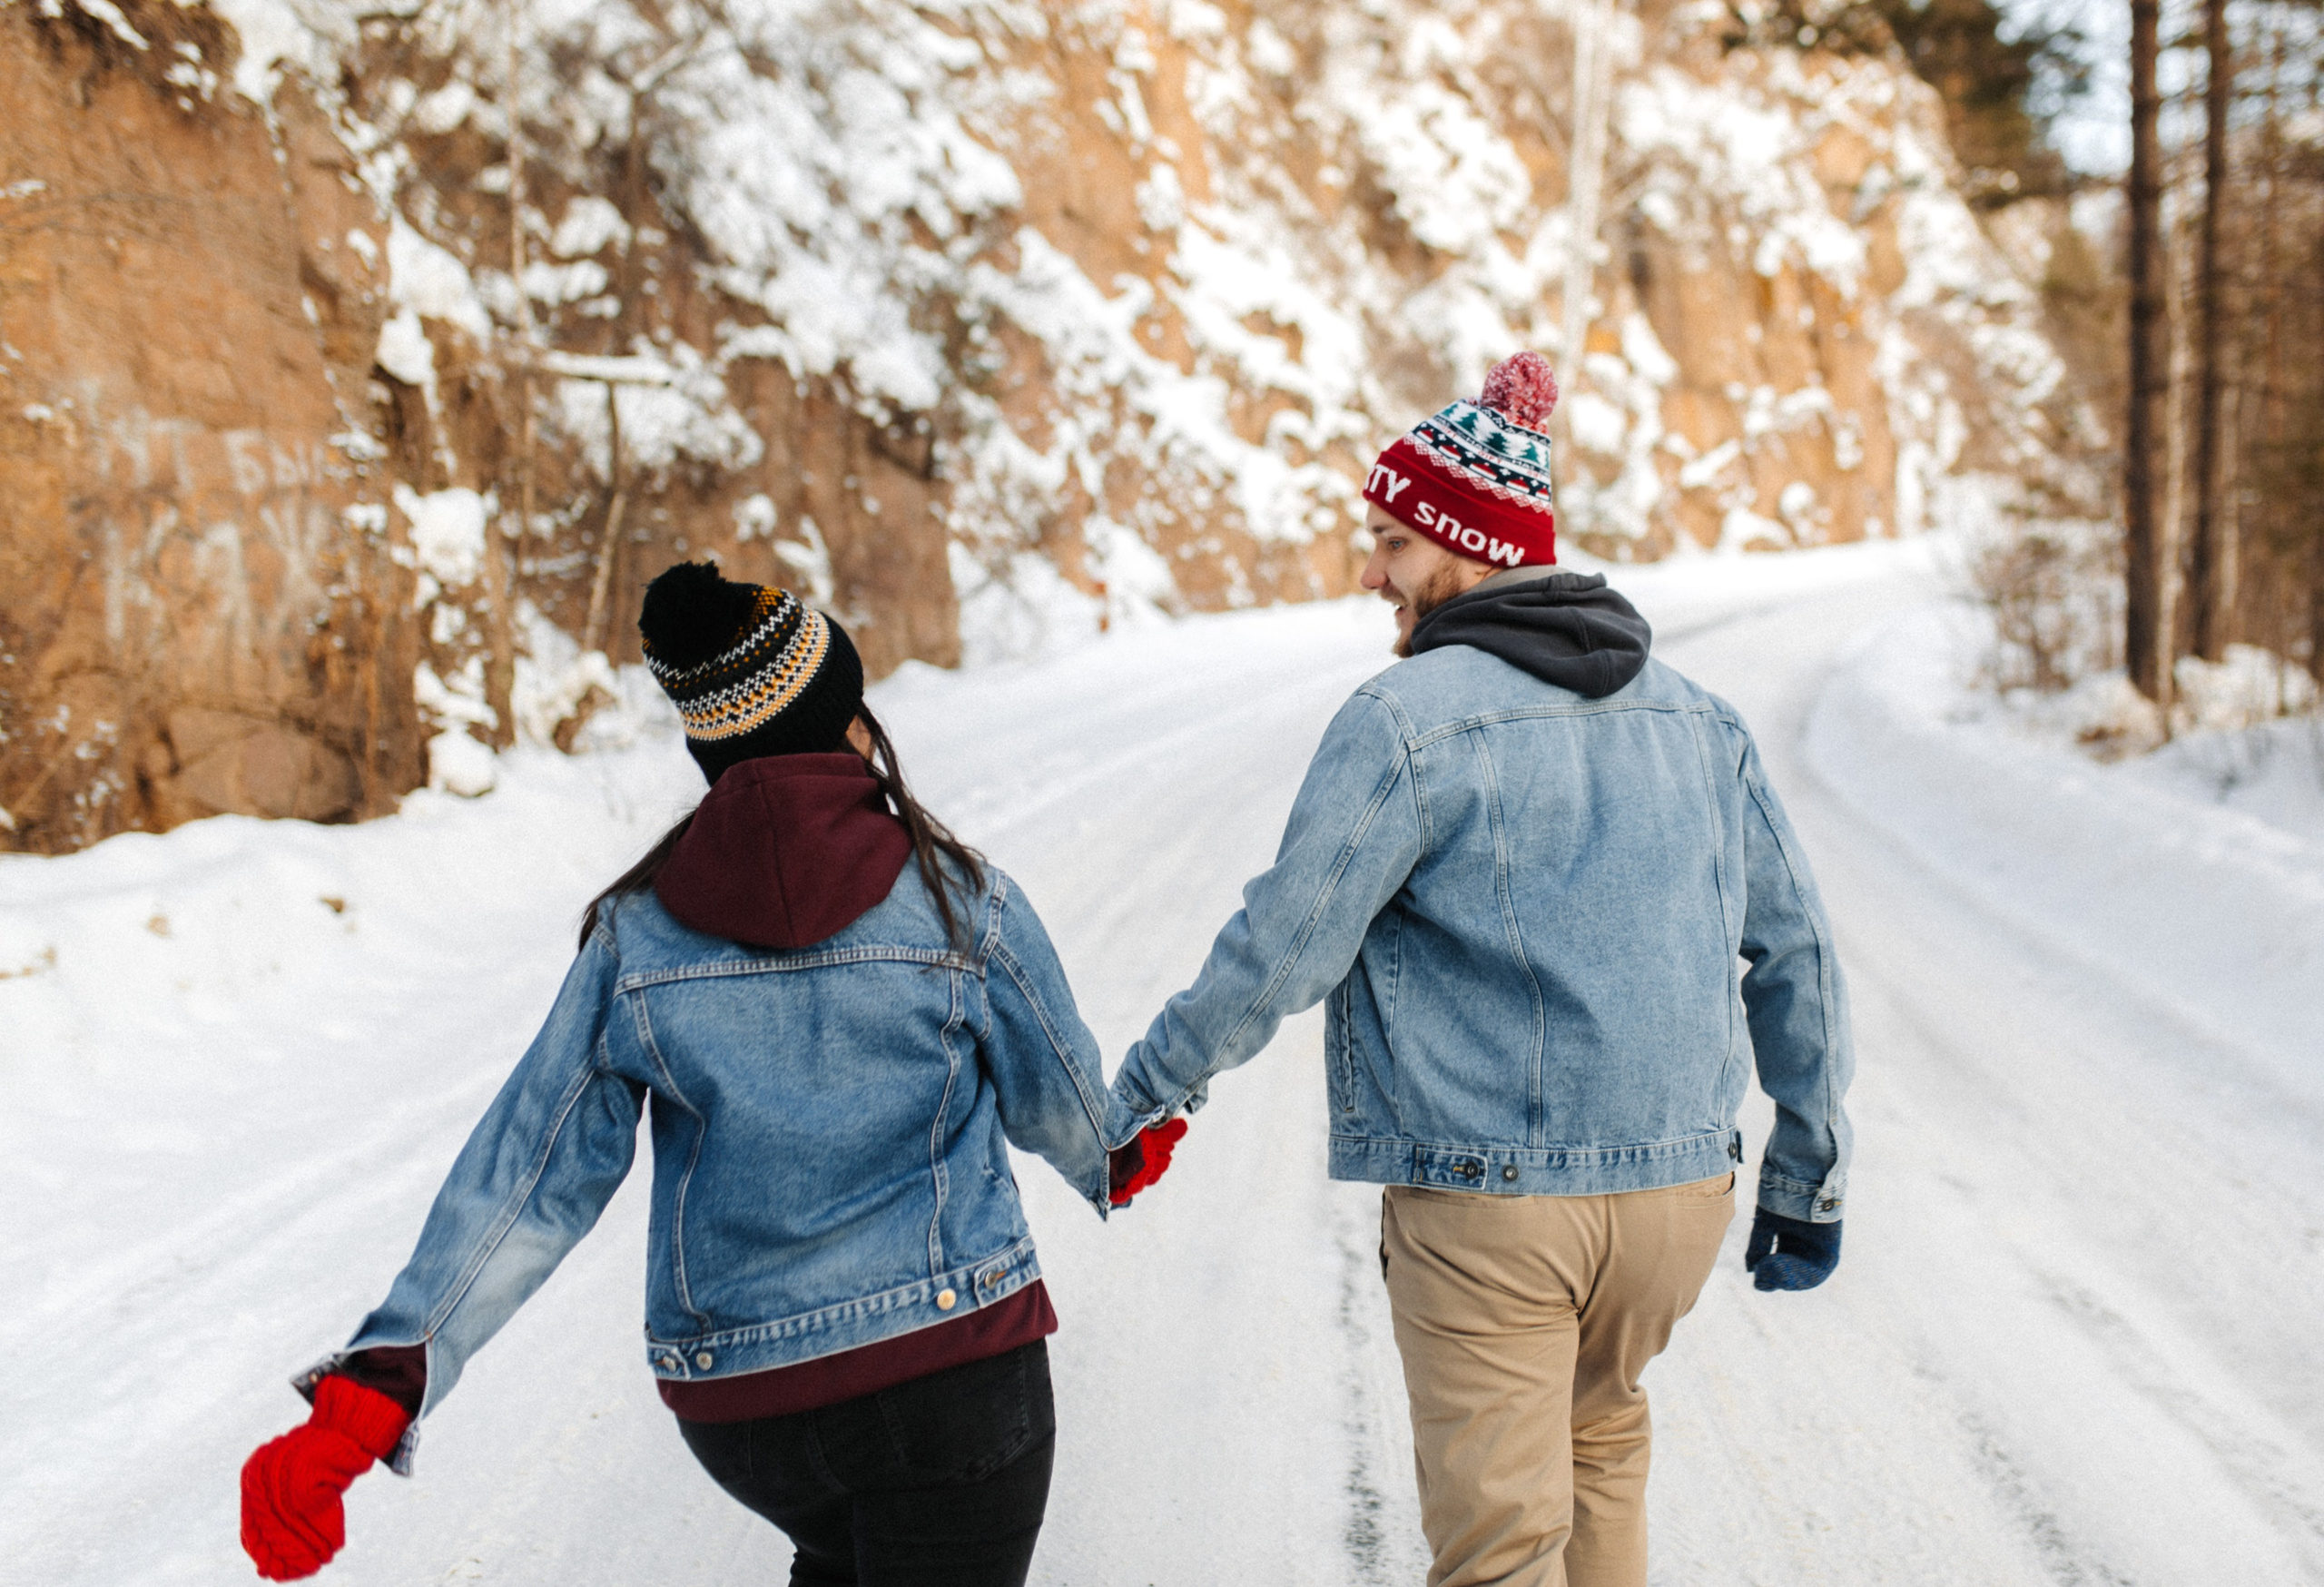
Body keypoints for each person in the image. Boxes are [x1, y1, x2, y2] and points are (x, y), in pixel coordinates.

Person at [238, 562, 1179, 1587]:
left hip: (749, 1412)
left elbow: (529, 1180)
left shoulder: (635, 936)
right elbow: (1071, 1111)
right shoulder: (959, 897)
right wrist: (1118, 1153)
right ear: (848, 722)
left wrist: (381, 1384)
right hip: (951, 1375)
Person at [1104, 351, 1855, 1587]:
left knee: (1500, 1552)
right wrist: (1808, 1173)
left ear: (1461, 551)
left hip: (1494, 1205)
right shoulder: (1699, 719)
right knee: (1600, 1442)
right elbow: (1798, 952)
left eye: (1392, 544)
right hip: (1676, 1199)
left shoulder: (1407, 718)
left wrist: (1147, 1091)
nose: (1371, 573)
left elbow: (1284, 946)